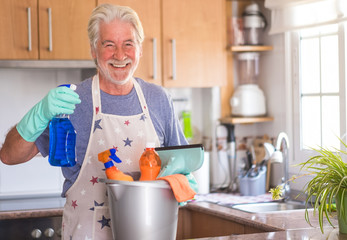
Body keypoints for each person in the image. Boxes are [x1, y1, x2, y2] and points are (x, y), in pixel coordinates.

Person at [0, 4, 197, 239]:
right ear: (94, 50)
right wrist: (39, 114)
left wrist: (182, 181)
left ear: (140, 49)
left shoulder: (159, 99)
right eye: (109, 44)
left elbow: (183, 165)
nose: (120, 55)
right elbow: (9, 156)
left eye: (128, 43)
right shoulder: (73, 102)